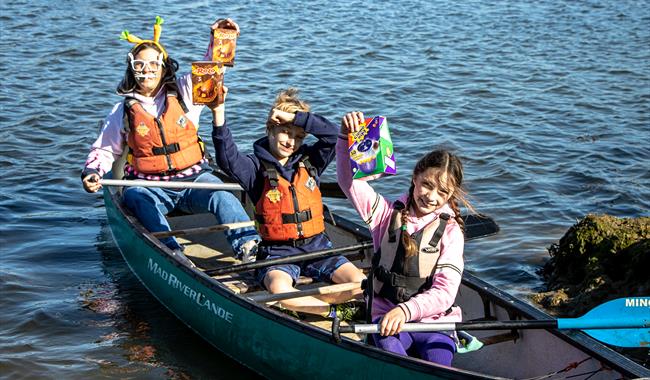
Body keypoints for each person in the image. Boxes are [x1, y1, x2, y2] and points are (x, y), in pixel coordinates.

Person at [81, 16, 259, 265]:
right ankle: (172, 252)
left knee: (222, 194)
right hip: (148, 184)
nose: (147, 71)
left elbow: (213, 66)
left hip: (194, 179)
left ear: (164, 67)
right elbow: (104, 149)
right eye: (140, 66)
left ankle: (248, 245)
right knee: (137, 197)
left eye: (154, 65)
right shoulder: (121, 111)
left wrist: (220, 37)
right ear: (132, 68)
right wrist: (92, 171)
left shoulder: (186, 92)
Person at [212, 87, 366, 317]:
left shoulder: (312, 160)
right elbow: (227, 158)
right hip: (278, 253)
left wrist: (295, 119)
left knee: (360, 282)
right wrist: (218, 112)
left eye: (298, 136)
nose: (291, 141)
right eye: (285, 132)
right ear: (270, 129)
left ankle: (306, 304)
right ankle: (332, 312)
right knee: (279, 289)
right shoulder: (254, 169)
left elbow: (334, 135)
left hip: (318, 247)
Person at [337, 111, 470, 365]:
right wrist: (345, 138)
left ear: (452, 194)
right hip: (387, 317)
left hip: (434, 322)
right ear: (414, 178)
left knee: (439, 363)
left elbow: (445, 292)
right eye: (427, 185)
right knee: (396, 357)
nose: (431, 196)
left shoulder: (451, 231)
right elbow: (349, 183)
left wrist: (406, 310)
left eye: (442, 192)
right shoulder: (385, 215)